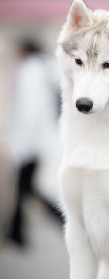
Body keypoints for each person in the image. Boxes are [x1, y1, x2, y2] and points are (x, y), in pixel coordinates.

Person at [7, 39, 63, 247]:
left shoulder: (31, 72)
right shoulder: (42, 70)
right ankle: (15, 231)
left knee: (26, 187)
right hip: (37, 141)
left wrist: (20, 144)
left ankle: (65, 223)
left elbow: (30, 111)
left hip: (32, 142)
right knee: (25, 187)